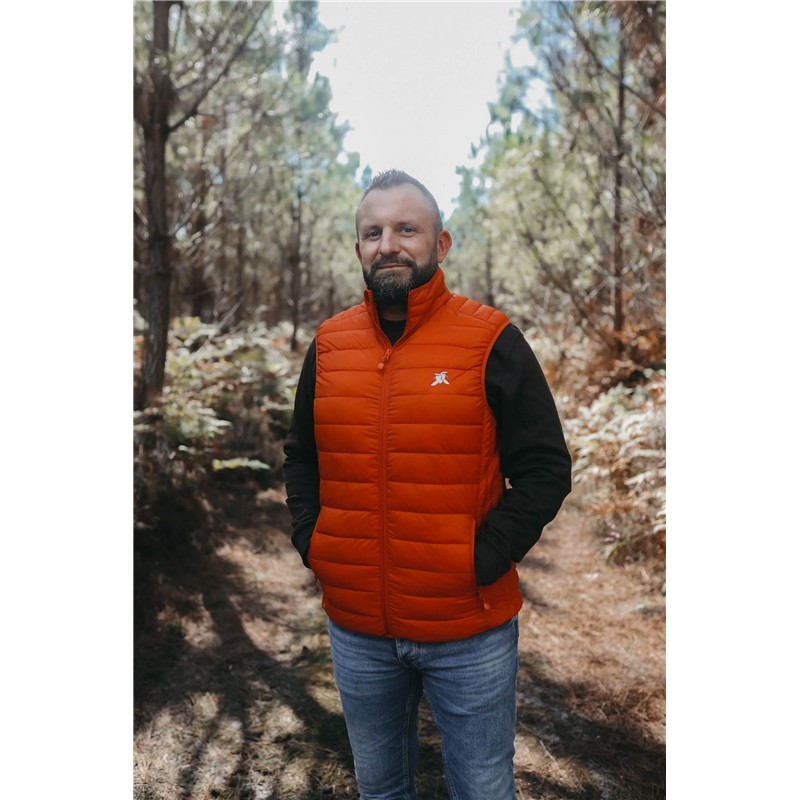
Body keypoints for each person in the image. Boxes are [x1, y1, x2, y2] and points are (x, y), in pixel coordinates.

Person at [282, 169, 572, 799]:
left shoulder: (491, 340)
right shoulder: (328, 346)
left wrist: (483, 557)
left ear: (440, 244)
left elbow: (547, 468)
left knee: (483, 789)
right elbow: (302, 456)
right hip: (357, 629)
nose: (388, 244)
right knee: (380, 789)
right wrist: (314, 541)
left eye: (406, 229)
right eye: (373, 232)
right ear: (359, 248)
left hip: (468, 629)